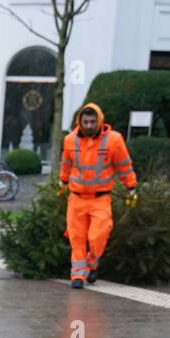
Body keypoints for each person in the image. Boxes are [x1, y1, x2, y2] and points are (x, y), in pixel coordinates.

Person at [58, 102, 138, 288]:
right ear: (80, 121)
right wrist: (62, 182)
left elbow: (124, 166)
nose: (88, 126)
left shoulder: (113, 140)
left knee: (97, 236)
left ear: (99, 121)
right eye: (85, 122)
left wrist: (131, 187)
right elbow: (66, 164)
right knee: (76, 238)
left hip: (100, 198)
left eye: (92, 122)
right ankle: (78, 276)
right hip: (76, 198)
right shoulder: (70, 140)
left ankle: (92, 263)